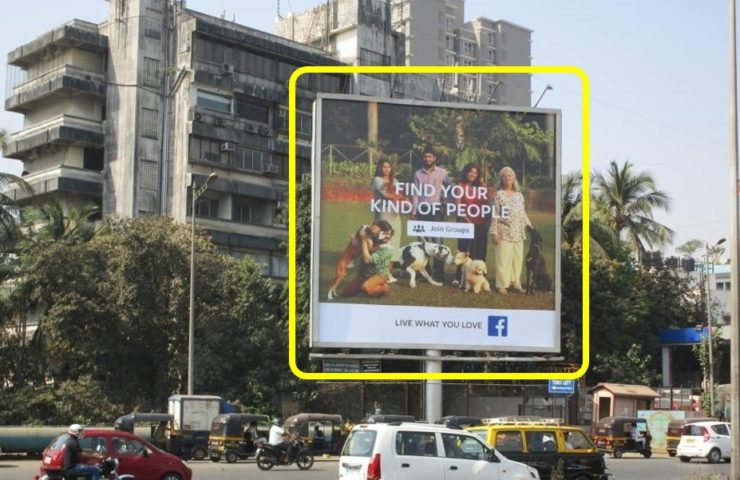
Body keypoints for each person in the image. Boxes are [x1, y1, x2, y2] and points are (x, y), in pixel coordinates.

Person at [410, 145, 452, 284]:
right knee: (423, 242)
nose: (427, 159)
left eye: (430, 157)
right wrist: (414, 211)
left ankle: (439, 273)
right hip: (422, 210)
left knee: (437, 242)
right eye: (425, 156)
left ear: (434, 158)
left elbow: (451, 188)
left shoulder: (442, 172)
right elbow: (415, 194)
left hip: (436, 211)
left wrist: (445, 203)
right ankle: (424, 271)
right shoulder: (417, 174)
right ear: (423, 158)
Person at [491, 166, 532, 294]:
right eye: (505, 176)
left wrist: (530, 226)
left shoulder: (519, 196)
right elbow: (495, 214)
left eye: (509, 176)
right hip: (504, 231)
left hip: (518, 232)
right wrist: (494, 232)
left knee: (517, 259)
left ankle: (516, 283)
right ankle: (502, 285)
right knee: (503, 259)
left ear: (513, 178)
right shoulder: (499, 195)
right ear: (501, 179)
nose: (507, 178)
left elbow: (522, 213)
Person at [454, 163, 490, 285]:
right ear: (466, 172)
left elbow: (486, 203)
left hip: (481, 224)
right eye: (470, 172)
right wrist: (468, 220)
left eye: (475, 173)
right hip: (465, 223)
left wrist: (486, 220)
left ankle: (479, 276)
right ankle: (459, 277)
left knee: (480, 251)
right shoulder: (460, 186)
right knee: (464, 251)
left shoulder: (481, 186)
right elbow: (458, 205)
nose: (472, 174)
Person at [341, 225, 395, 297]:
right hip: (365, 275)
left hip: (379, 275)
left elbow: (367, 260)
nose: (388, 236)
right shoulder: (372, 239)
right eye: (385, 233)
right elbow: (355, 238)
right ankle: (366, 286)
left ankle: (384, 287)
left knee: (366, 287)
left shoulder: (387, 248)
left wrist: (363, 240)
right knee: (347, 293)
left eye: (389, 234)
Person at [372, 159, 404, 268]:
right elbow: (385, 194)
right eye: (384, 167)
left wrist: (397, 197)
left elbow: (400, 195)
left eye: (388, 167)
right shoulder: (377, 180)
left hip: (394, 213)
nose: (386, 169)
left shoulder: (395, 181)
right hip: (383, 213)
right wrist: (396, 196)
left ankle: (389, 271)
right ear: (380, 168)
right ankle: (381, 270)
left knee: (395, 239)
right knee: (384, 240)